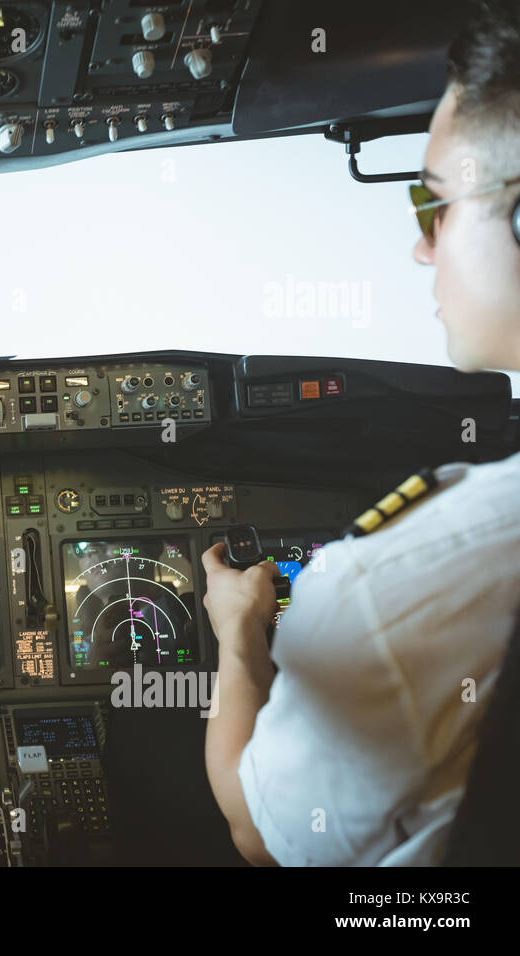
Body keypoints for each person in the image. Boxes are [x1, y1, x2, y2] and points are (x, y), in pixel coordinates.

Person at [202, 0, 520, 866]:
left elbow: (257, 829)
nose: (424, 249)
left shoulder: (392, 591)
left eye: (440, 205)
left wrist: (238, 633)